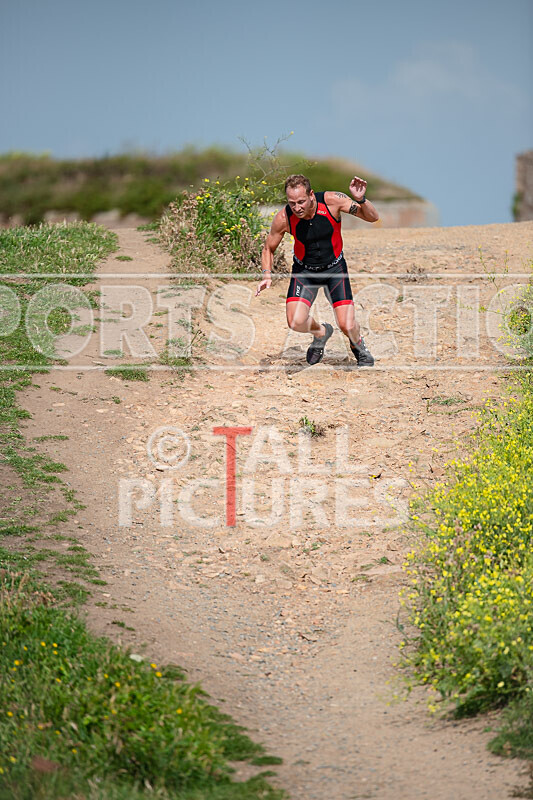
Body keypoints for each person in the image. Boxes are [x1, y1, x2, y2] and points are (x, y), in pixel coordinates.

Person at [255, 174, 378, 366]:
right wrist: (266, 274)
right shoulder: (284, 217)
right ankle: (321, 333)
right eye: (292, 203)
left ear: (311, 195)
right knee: (295, 321)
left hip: (334, 269)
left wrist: (360, 199)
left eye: (301, 201)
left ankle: (358, 344)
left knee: (347, 324)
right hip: (305, 272)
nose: (297, 208)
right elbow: (268, 248)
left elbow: (372, 217)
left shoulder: (332, 202)